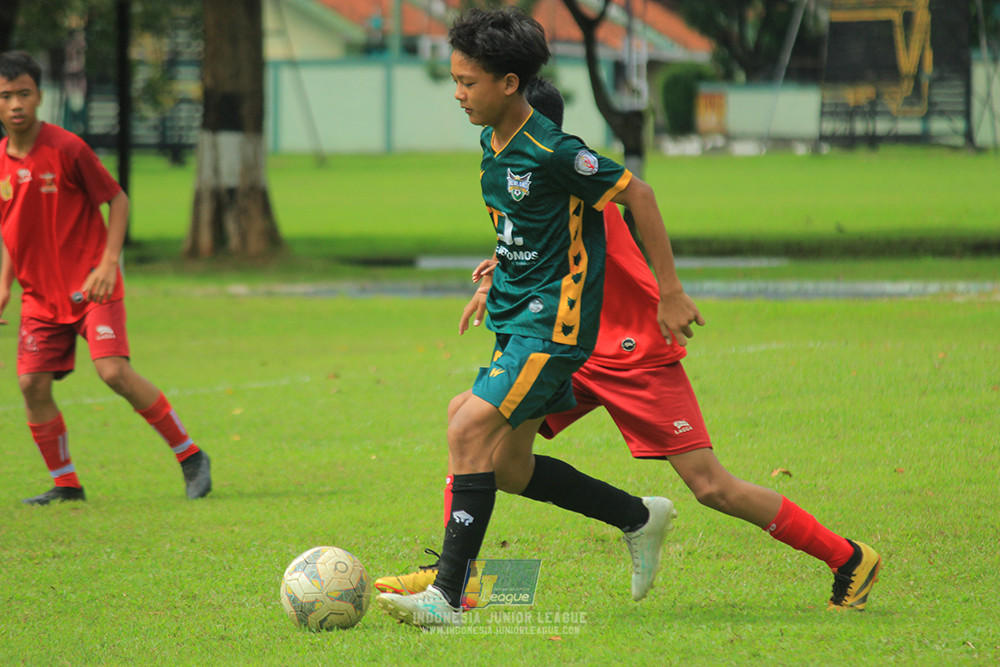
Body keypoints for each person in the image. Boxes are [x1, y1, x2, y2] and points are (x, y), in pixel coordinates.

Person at [376, 77, 882, 615]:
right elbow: (528, 238)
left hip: (632, 353)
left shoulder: (567, 171)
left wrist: (671, 292)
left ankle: (849, 557)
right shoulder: (518, 169)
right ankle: (462, 575)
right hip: (569, 347)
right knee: (494, 452)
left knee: (712, 487)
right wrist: (492, 275)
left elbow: (625, 202)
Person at [375, 8, 703, 629]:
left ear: (509, 83)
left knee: (466, 428)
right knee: (508, 467)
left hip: (552, 330)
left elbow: (641, 194)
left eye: (468, 82)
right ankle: (638, 516)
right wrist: (495, 273)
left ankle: (446, 596)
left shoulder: (556, 151)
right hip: (514, 322)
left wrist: (670, 292)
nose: (458, 93)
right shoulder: (490, 141)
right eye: (455, 79)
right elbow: (520, 223)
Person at [0, 51, 211, 505]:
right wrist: (3, 286)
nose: (15, 104)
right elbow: (11, 230)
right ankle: (66, 484)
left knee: (113, 371)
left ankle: (190, 455)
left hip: (92, 283)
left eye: (23, 93)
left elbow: (117, 200)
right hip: (39, 295)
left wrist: (108, 262)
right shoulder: (0, 163)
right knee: (30, 384)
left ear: (39, 96)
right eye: (5, 96)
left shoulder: (67, 148)